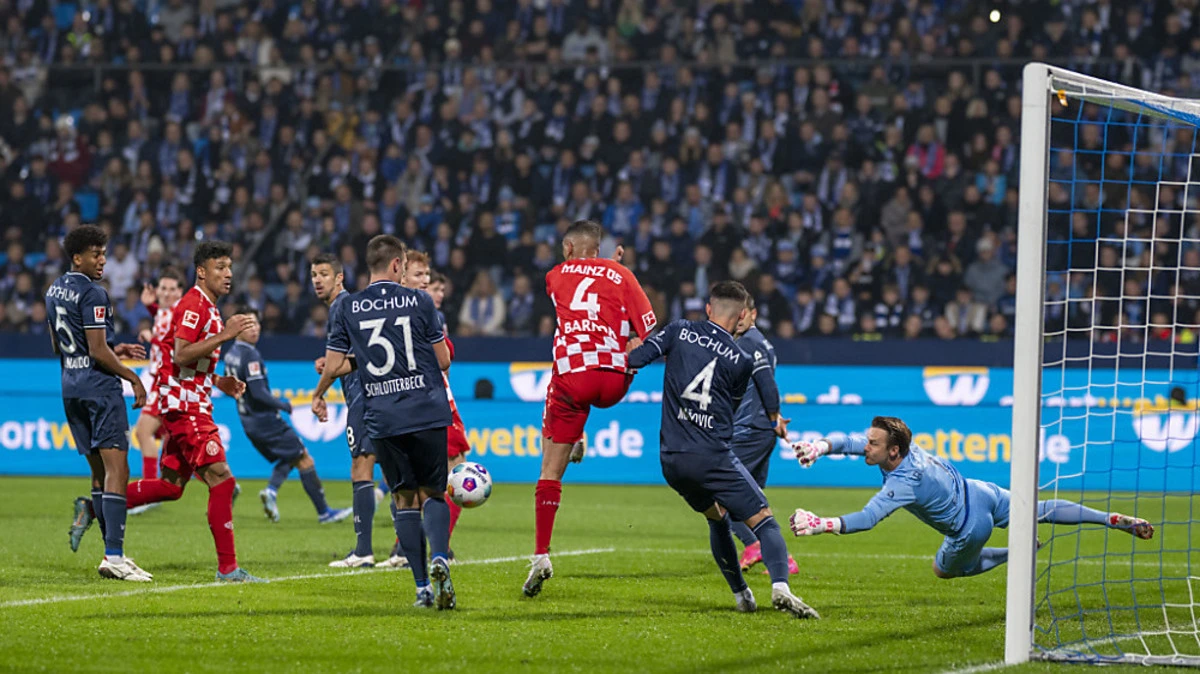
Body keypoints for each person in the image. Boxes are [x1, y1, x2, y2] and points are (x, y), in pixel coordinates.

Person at [627, 281, 818, 618]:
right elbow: (730, 407)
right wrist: (772, 417)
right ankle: (781, 587)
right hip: (712, 456)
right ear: (743, 315)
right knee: (765, 522)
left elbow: (636, 359)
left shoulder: (679, 330)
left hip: (672, 460)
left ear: (708, 308)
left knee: (717, 519)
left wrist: (632, 346)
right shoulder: (742, 359)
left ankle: (743, 595)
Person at [790, 417, 1155, 578]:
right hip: (981, 491)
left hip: (969, 525)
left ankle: (1016, 553)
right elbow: (848, 442)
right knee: (1039, 509)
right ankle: (1108, 519)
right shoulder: (904, 448)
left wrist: (822, 524)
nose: (865, 446)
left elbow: (868, 518)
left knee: (943, 571)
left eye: (873, 443)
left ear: (893, 451)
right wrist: (819, 447)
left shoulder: (902, 482)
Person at [313, 235, 457, 609]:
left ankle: (422, 587)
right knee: (433, 493)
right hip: (425, 409)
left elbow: (334, 366)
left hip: (383, 414)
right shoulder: (420, 301)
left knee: (403, 498)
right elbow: (443, 360)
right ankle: (440, 557)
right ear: (397, 265)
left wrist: (327, 385)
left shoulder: (349, 307)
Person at [524, 219, 657, 598]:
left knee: (550, 470)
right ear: (599, 250)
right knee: (631, 340)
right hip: (614, 379)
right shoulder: (622, 274)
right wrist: (630, 353)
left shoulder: (554, 276)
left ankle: (541, 554)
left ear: (568, 248)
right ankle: (580, 429)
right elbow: (649, 330)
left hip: (573, 377)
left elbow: (582, 283)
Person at [123, 240, 266, 583]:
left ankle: (97, 505)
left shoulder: (208, 307)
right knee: (223, 480)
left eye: (230, 267)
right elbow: (181, 353)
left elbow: (189, 365)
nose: (228, 274)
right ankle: (228, 569)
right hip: (186, 409)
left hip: (190, 403)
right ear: (202, 271)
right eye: (220, 267)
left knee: (171, 486)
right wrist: (226, 335)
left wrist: (219, 380)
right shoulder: (194, 305)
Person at [53, 224, 152, 581]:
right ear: (77, 257)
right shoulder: (94, 293)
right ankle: (114, 555)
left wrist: (113, 348)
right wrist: (132, 376)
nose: (102, 261)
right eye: (95, 254)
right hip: (99, 390)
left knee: (99, 473)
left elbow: (59, 346)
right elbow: (97, 351)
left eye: (104, 254)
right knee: (118, 470)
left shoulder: (54, 290)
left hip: (71, 388)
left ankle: (111, 554)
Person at [223, 306, 351, 524]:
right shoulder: (250, 355)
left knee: (291, 455)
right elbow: (258, 393)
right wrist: (283, 405)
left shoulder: (231, 354)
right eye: (248, 324)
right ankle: (324, 512)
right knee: (303, 457)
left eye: (256, 323)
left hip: (248, 420)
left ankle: (271, 491)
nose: (255, 329)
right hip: (265, 419)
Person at [313, 253, 393, 569]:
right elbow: (357, 354)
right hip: (381, 394)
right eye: (313, 275)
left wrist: (318, 393)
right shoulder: (355, 306)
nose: (317, 280)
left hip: (363, 397)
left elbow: (339, 363)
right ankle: (403, 549)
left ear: (339, 277)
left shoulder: (340, 306)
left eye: (323, 274)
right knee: (393, 469)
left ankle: (363, 551)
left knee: (361, 467)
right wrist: (331, 365)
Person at [402, 255, 473, 560]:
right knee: (456, 471)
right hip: (432, 401)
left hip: (406, 403)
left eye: (428, 276)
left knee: (415, 478)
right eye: (421, 275)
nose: (428, 283)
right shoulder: (422, 313)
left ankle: (405, 547)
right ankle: (438, 546)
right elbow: (443, 359)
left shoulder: (402, 311)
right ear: (402, 276)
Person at [728, 297, 798, 575]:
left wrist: (772, 416)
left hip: (748, 431)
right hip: (758, 430)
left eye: (744, 313)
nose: (739, 319)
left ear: (754, 314)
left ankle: (754, 545)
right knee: (752, 503)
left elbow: (767, 385)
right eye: (735, 313)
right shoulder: (760, 343)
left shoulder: (749, 343)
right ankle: (781, 559)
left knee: (719, 495)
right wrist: (774, 418)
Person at [128, 268, 184, 517]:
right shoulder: (163, 311)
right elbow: (163, 321)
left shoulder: (180, 314)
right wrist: (151, 308)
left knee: (143, 431)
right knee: (179, 439)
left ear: (180, 292)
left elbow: (178, 348)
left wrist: (152, 338)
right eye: (164, 288)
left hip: (168, 382)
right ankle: (222, 479)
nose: (167, 293)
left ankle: (148, 493)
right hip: (160, 381)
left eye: (172, 289)